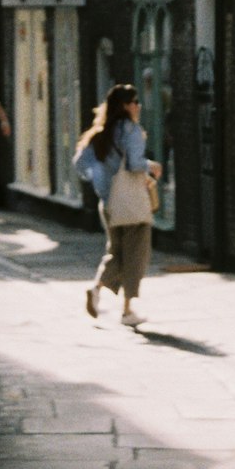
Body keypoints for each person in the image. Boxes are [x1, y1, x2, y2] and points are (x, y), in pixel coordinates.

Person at [75, 83, 162, 327]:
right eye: (135, 102)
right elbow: (135, 164)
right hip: (132, 204)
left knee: (116, 251)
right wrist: (150, 166)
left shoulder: (99, 132)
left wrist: (102, 182)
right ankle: (126, 310)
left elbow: (80, 165)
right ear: (125, 106)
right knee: (136, 254)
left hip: (109, 204)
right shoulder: (131, 130)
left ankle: (97, 290)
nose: (138, 106)